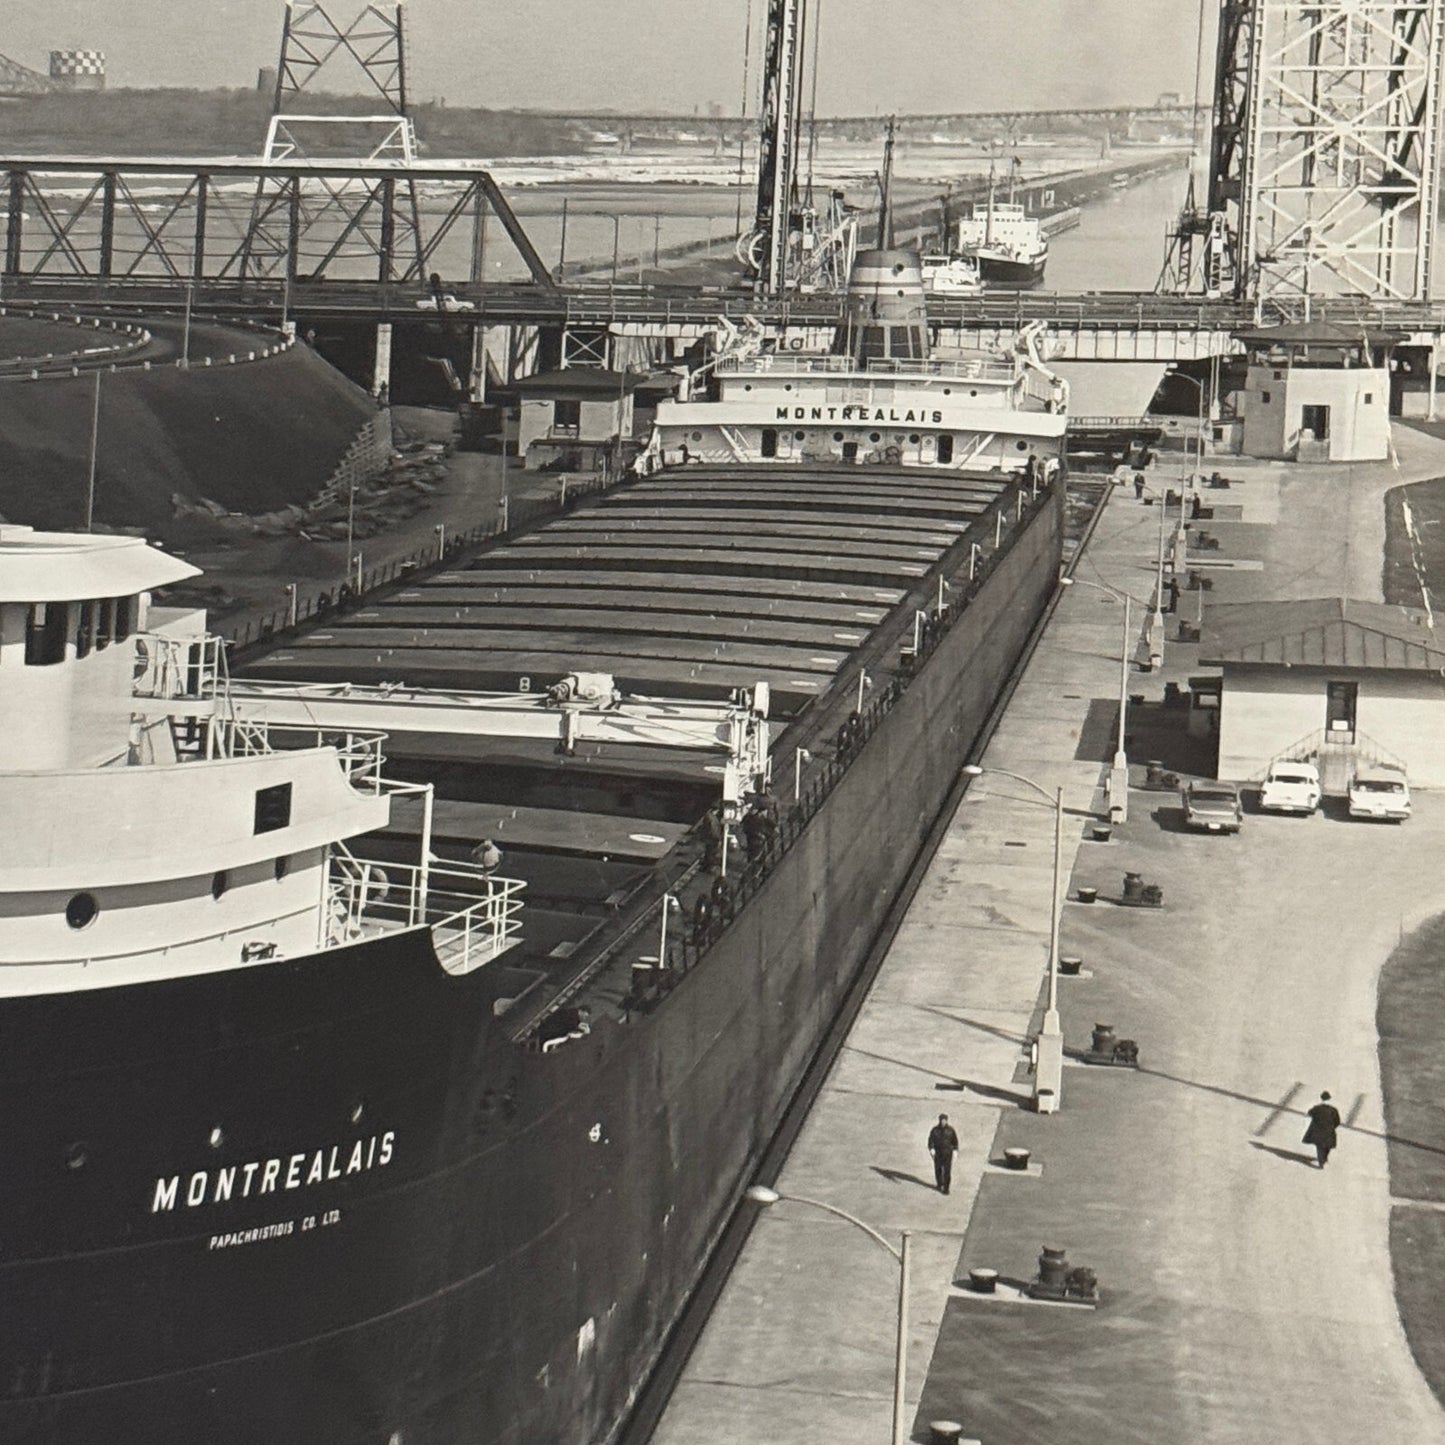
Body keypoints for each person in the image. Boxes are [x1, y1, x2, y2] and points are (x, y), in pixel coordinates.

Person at [1303, 1091, 1342, 1168]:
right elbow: (1337, 1121)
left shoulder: (1316, 1108)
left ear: (1321, 1098)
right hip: (1329, 1131)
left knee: (1319, 1147)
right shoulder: (1333, 1110)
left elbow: (1309, 1113)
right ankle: (1324, 1158)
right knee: (1328, 1146)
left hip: (1318, 1130)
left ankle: (1321, 1162)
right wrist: (1332, 1127)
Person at [928, 1113, 959, 1194]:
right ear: (939, 1120)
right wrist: (931, 1149)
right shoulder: (935, 1130)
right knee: (938, 1170)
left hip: (947, 1154)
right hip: (938, 1153)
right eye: (942, 1120)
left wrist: (955, 1150)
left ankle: (946, 1188)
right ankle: (939, 1183)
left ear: (947, 1121)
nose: (943, 1122)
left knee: (947, 1171)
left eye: (944, 1120)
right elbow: (931, 1140)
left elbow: (955, 1141)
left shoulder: (951, 1130)